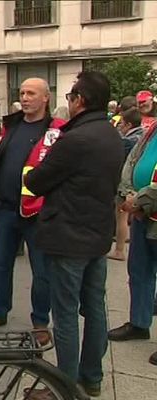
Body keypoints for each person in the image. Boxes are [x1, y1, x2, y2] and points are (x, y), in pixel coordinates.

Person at [24, 71, 124, 398]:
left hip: (69, 236)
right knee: (95, 307)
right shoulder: (109, 133)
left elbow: (36, 181)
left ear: (80, 100)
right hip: (96, 234)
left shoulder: (75, 139)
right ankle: (91, 377)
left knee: (65, 314)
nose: (68, 102)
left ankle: (64, 386)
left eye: (69, 96)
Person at [0, 78, 66, 344]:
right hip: (5, 209)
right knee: (1, 266)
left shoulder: (57, 130)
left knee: (42, 271)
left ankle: (40, 320)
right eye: (22, 93)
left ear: (45, 98)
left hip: (38, 212)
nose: (25, 98)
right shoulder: (9, 126)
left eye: (31, 93)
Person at [107, 112, 157, 354]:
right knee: (139, 270)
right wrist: (126, 192)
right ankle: (139, 322)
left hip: (148, 208)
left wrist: (140, 201)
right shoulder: (151, 129)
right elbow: (132, 161)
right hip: (141, 214)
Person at [108, 108, 144, 261]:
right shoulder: (144, 136)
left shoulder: (128, 140)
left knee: (121, 216)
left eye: (121, 123)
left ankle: (119, 250)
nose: (120, 126)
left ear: (128, 124)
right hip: (138, 184)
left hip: (125, 183)